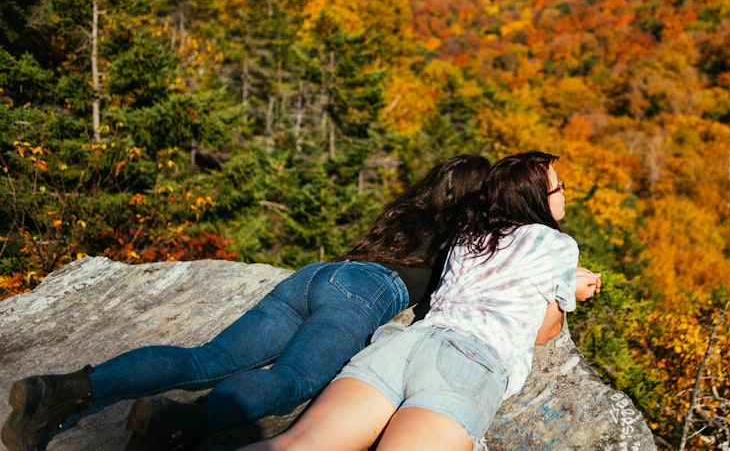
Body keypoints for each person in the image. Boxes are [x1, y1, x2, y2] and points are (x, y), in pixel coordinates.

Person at [1, 154, 491, 451]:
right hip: (364, 292)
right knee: (292, 380)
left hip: (314, 277)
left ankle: (64, 390)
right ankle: (180, 423)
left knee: (204, 358)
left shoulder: (403, 212)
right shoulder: (462, 236)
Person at [241, 150, 601, 451]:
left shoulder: (470, 235)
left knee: (293, 445)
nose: (565, 193)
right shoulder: (558, 245)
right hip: (470, 362)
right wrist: (569, 292)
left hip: (406, 344)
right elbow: (542, 331)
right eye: (559, 187)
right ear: (535, 198)